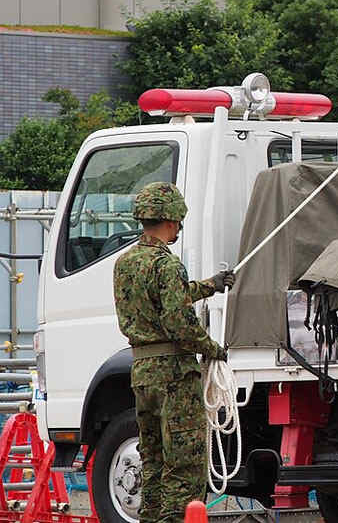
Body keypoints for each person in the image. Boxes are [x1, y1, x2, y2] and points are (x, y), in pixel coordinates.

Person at [113, 182, 236, 523]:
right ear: (171, 219)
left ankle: (151, 519)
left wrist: (211, 284)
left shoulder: (126, 263)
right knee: (183, 462)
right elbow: (179, 322)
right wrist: (213, 349)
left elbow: (166, 299)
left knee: (152, 458)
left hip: (142, 372)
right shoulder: (166, 264)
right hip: (173, 375)